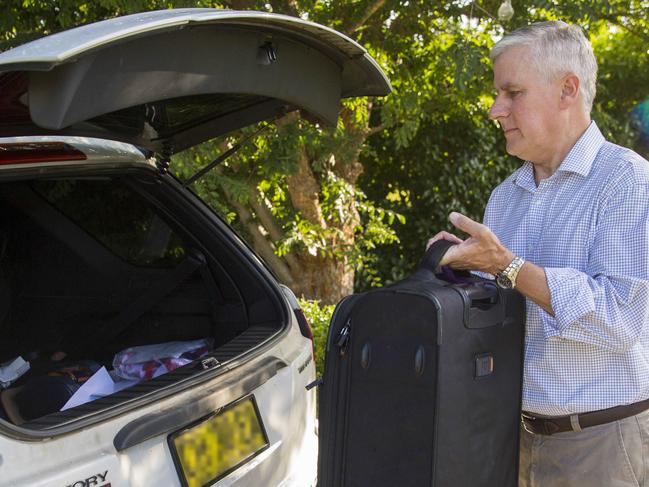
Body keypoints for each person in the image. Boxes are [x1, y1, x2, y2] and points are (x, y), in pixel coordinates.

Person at [429, 21, 649, 487]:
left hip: (602, 442)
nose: (495, 109)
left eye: (512, 93)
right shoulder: (505, 197)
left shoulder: (628, 181)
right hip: (513, 439)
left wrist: (508, 266)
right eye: (497, 94)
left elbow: (623, 319)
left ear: (568, 89)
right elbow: (500, 311)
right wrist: (458, 271)